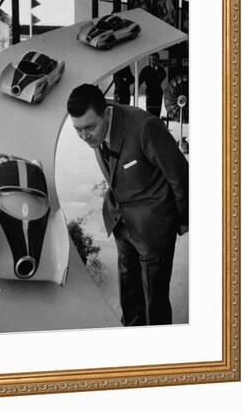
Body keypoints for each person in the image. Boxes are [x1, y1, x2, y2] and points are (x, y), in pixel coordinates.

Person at [67, 83, 188, 326]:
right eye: (78, 130)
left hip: (153, 227)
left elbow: (180, 174)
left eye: (89, 127)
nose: (84, 136)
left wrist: (183, 219)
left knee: (154, 300)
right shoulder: (96, 131)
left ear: (107, 113)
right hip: (121, 223)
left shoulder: (145, 127)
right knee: (129, 293)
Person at [139, 53, 166, 117]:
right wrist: (136, 88)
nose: (153, 61)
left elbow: (163, 76)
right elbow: (139, 80)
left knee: (157, 112)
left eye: (154, 59)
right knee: (149, 112)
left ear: (157, 60)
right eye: (151, 59)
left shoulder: (161, 70)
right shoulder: (146, 70)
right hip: (150, 93)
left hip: (158, 93)